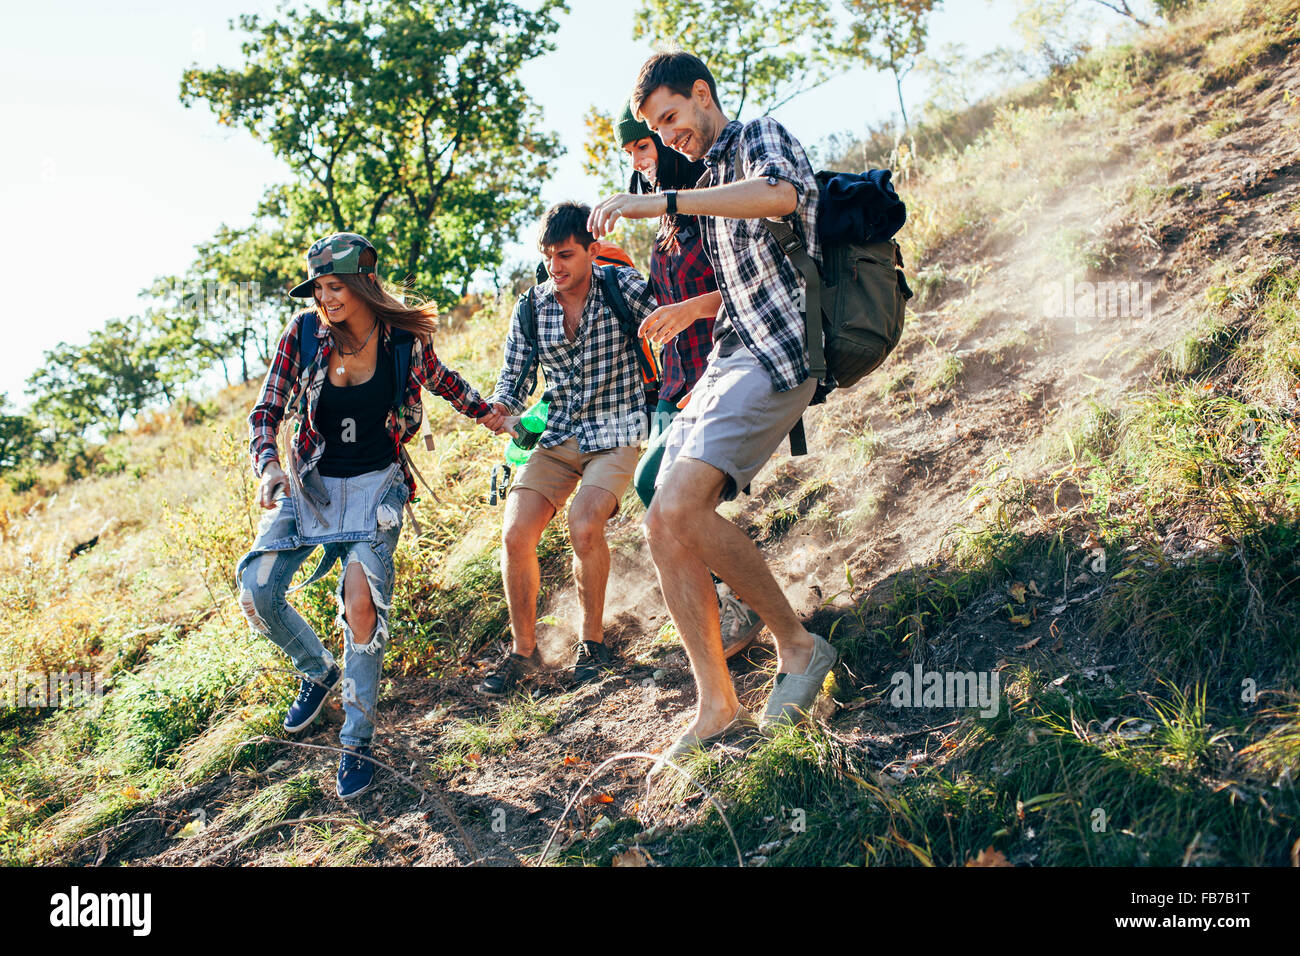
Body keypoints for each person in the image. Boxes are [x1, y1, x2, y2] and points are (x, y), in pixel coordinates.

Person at [589, 53, 838, 777]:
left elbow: (781, 196)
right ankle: (715, 701)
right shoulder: (703, 181)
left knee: (681, 508)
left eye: (670, 118)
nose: (667, 138)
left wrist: (663, 204)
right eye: (654, 130)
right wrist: (690, 308)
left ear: (702, 96)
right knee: (660, 518)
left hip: (780, 352)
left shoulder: (759, 136)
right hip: (731, 356)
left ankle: (797, 645)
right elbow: (748, 282)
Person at [236, 232, 504, 799]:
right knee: (258, 588)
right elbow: (267, 410)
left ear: (361, 284)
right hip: (309, 482)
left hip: (378, 484)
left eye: (335, 286)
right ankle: (317, 669)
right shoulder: (304, 335)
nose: (325, 299)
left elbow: (445, 383)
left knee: (361, 603)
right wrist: (268, 467)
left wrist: (494, 417)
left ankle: (356, 740)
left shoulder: (402, 339)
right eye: (318, 290)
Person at [477, 201, 658, 696]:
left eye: (566, 255)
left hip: (617, 431)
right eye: (548, 256)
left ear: (592, 252)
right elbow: (513, 378)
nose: (555, 267)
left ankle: (593, 644)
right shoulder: (532, 306)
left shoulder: (621, 288)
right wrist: (502, 409)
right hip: (557, 435)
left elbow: (672, 320)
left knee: (584, 523)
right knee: (515, 534)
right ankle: (523, 652)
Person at [614, 102, 764, 661]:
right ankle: (720, 607)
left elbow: (752, 288)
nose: (639, 158)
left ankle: (740, 603)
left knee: (658, 488)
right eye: (631, 150)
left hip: (720, 370)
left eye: (645, 145)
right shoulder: (665, 227)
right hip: (673, 384)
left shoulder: (712, 204)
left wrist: (689, 311)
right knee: (656, 499)